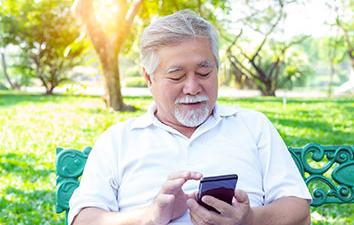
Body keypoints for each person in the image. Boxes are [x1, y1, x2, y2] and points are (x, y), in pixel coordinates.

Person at [69, 9, 312, 225]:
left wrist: (249, 220)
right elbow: (84, 218)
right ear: (148, 78)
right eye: (177, 76)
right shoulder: (118, 140)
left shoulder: (253, 126)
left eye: (204, 73)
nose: (192, 87)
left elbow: (298, 208)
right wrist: (151, 216)